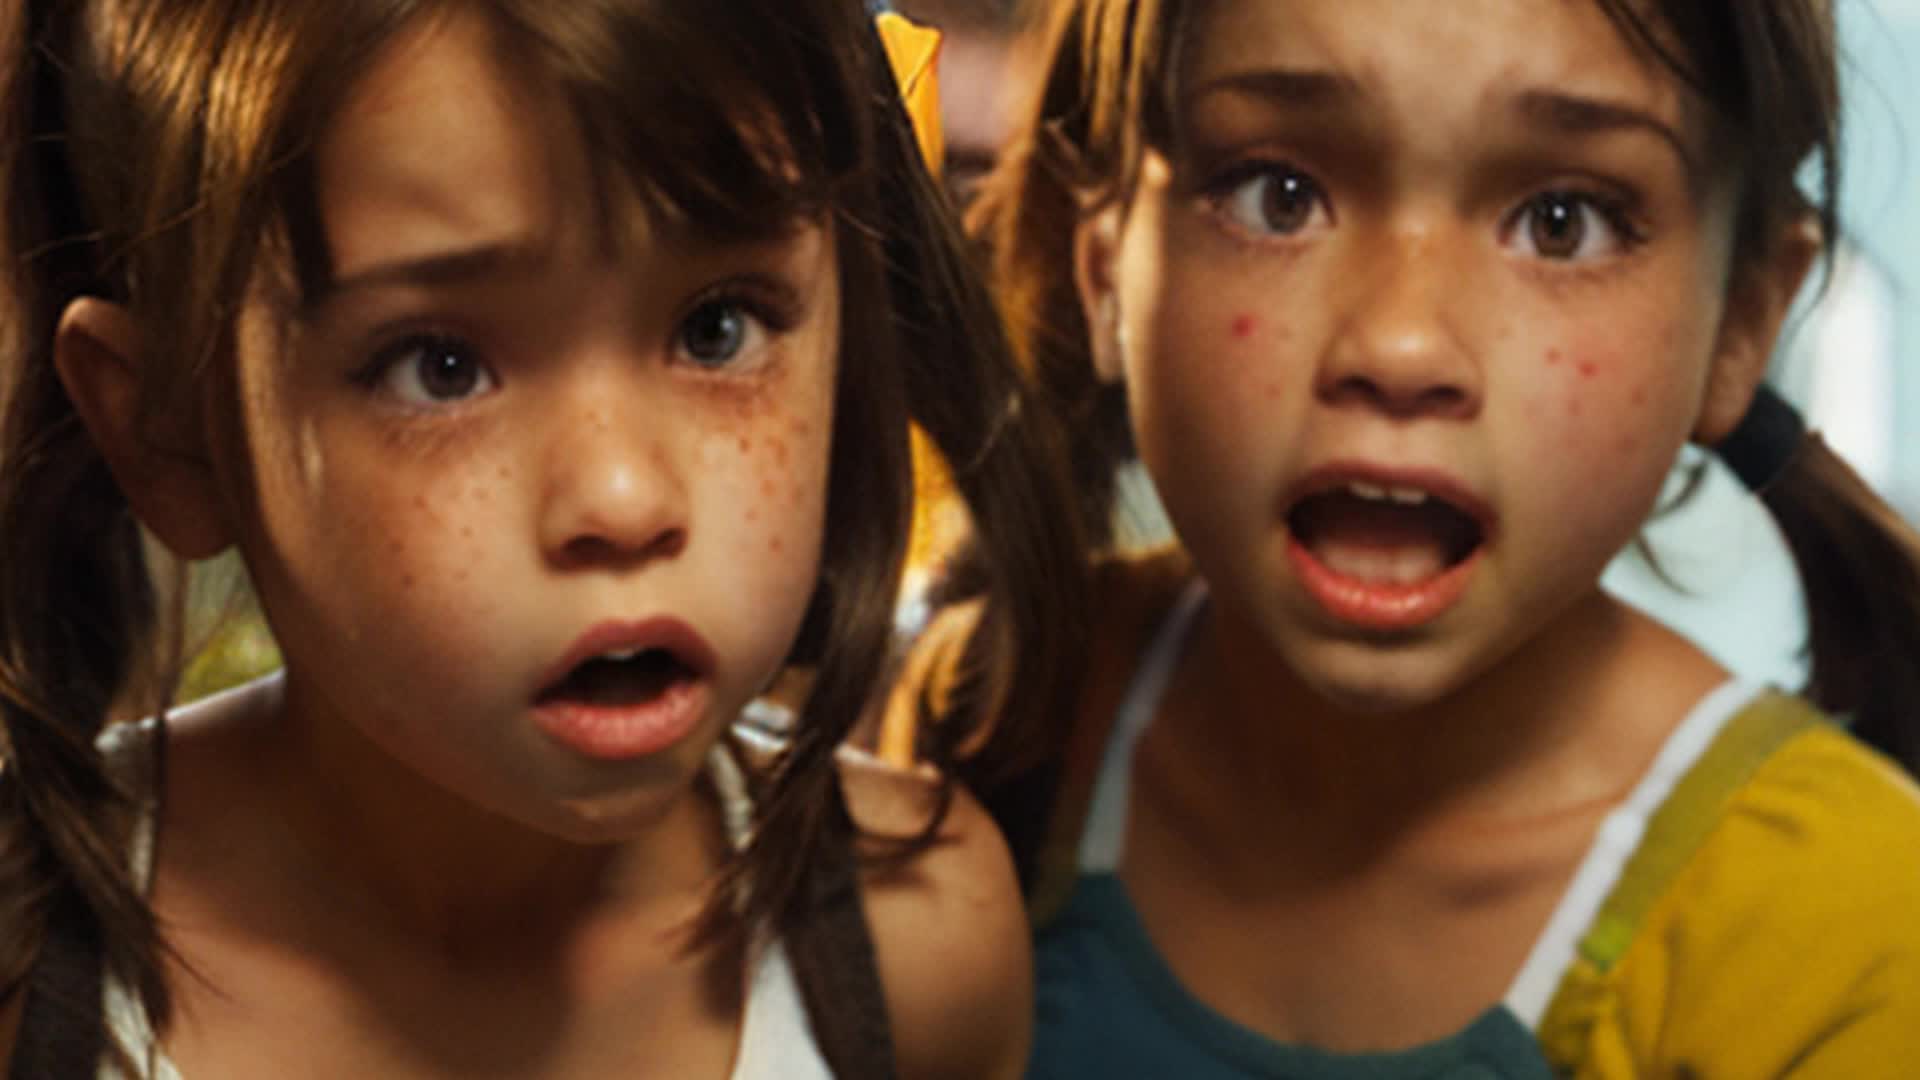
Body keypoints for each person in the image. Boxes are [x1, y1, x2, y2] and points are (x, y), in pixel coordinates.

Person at [0, 1, 1084, 1075]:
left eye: (719, 327)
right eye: (441, 367)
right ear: (168, 437)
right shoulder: (27, 974)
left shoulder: (922, 943)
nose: (622, 498)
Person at [892, 0, 1920, 1074]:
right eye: (1278, 196)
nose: (1401, 343)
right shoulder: (993, 722)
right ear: (1099, 266)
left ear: (1743, 321)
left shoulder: (1847, 931)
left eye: (1564, 221)